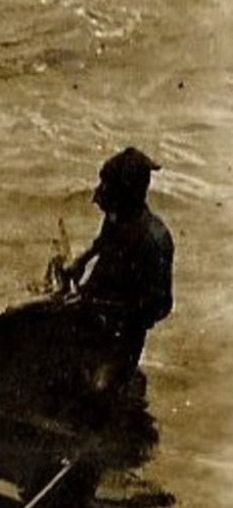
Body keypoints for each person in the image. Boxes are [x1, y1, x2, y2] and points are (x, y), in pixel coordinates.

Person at [55, 146, 174, 390]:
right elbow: (103, 242)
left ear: (127, 193)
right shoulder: (117, 216)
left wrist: (100, 306)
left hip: (122, 339)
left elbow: (160, 306)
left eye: (106, 186)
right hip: (91, 313)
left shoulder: (154, 239)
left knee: (97, 391)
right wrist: (81, 260)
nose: (98, 194)